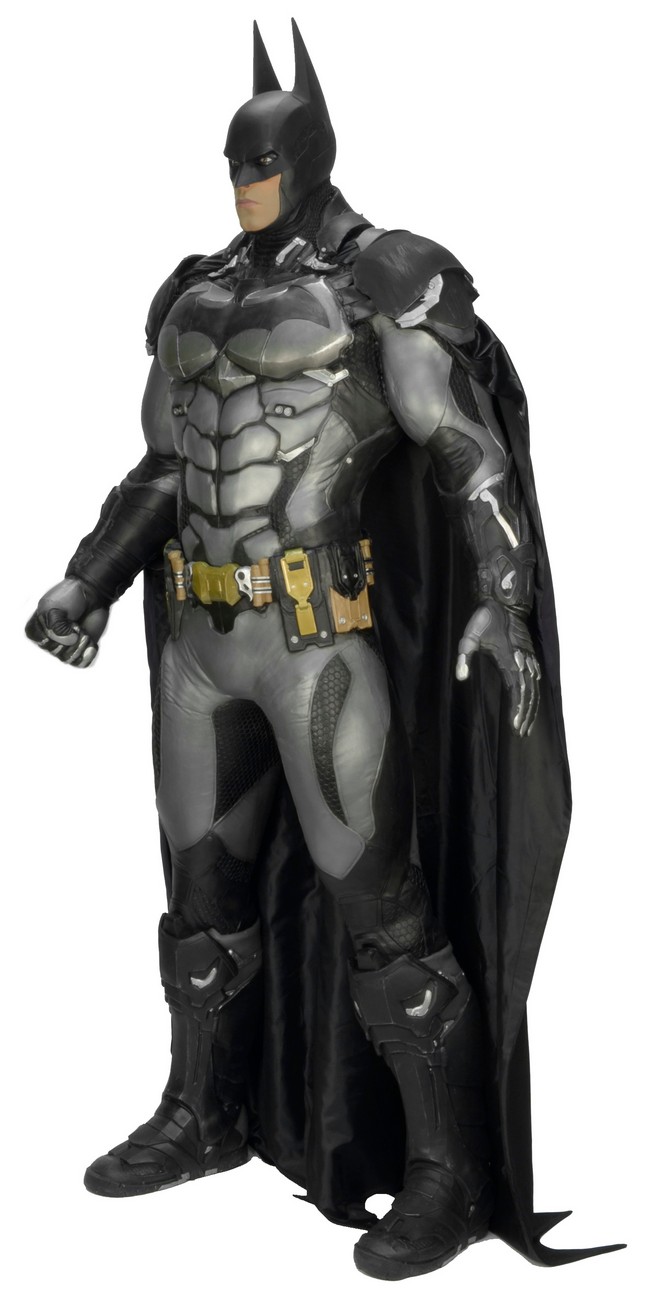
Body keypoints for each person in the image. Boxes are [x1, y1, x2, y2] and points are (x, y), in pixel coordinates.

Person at [25, 19, 611, 1283]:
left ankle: (449, 1173)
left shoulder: (381, 280)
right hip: (201, 643)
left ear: (313, 153)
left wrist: (503, 595)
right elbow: (166, 466)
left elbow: (462, 448)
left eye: (265, 160)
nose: (246, 181)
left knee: (385, 918)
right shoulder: (193, 295)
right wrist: (91, 575)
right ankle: (205, 1111)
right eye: (233, 162)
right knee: (203, 905)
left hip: (317, 649)